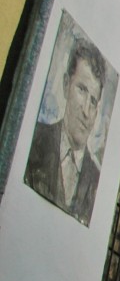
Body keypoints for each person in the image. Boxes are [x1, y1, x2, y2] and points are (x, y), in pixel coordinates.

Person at [25, 40, 106, 224]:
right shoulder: (36, 139)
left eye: (93, 101)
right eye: (82, 90)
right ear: (65, 85)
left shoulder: (96, 179)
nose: (86, 110)